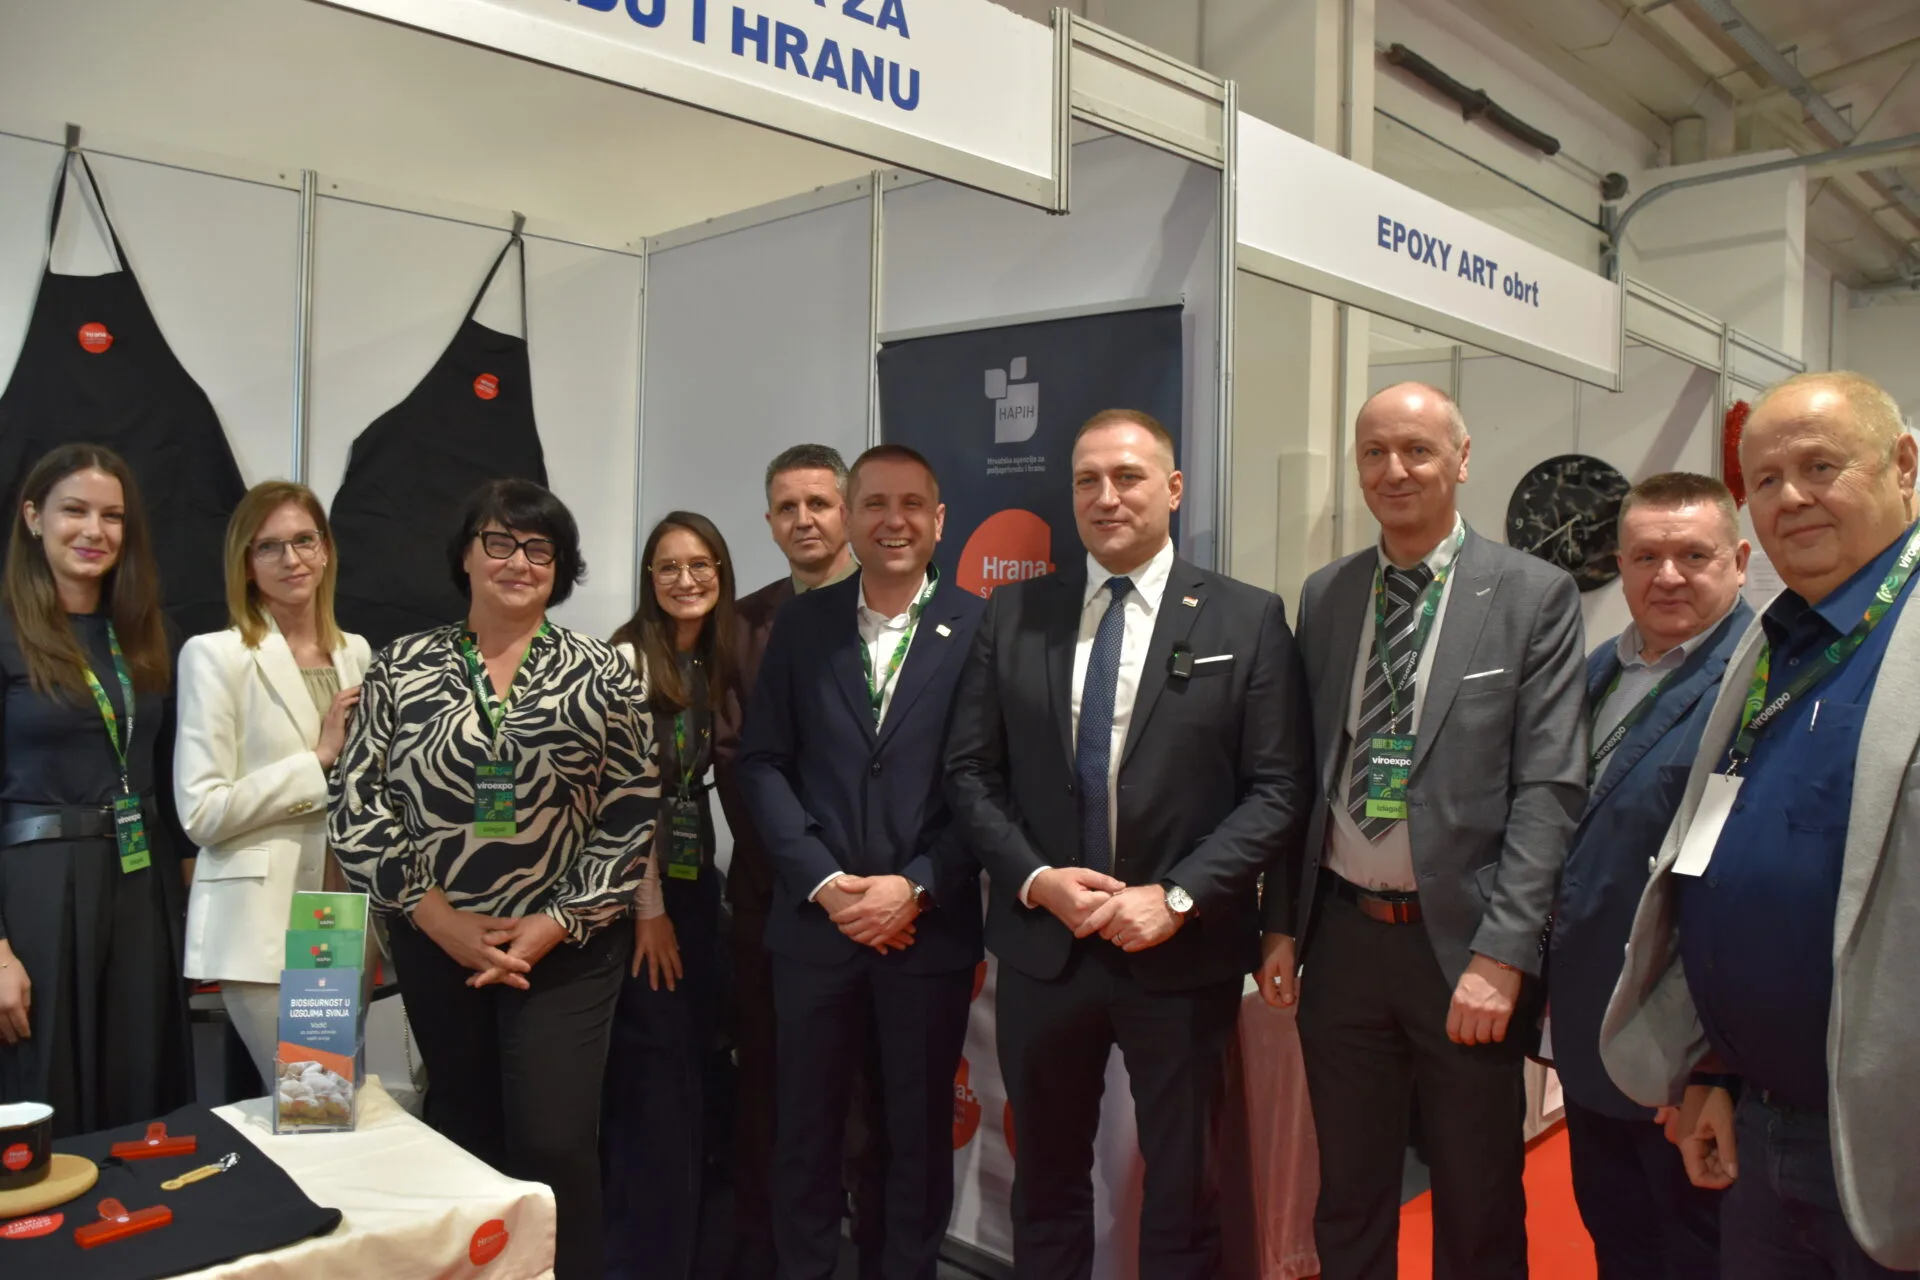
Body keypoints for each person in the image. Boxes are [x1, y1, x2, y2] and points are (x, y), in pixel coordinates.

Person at [948, 409, 1314, 1280]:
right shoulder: (1015, 612)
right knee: (1045, 1185)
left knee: (1185, 1190)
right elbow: (969, 772)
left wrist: (1177, 897)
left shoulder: (1245, 618)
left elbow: (1279, 790)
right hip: (1046, 951)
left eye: (1128, 477)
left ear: (1174, 489)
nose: (1106, 497)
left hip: (1179, 955)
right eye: (1087, 481)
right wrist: (1038, 879)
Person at [1257, 383, 1586, 1280]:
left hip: (1464, 951)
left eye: (1417, 450)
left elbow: (1550, 788)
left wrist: (1505, 954)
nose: (1393, 470)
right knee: (1349, 1192)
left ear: (1462, 459)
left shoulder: (1532, 595)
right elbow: (1301, 773)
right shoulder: (1328, 594)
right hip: (1341, 939)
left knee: (1479, 1199)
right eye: (1374, 452)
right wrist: (1280, 922)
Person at [1603, 371, 1920, 1277]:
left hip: (1888, 1144)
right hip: (1761, 1122)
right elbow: (1719, 847)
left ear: (1903, 465)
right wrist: (1714, 1067)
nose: (1790, 499)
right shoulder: (1776, 639)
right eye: (1767, 480)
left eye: (1820, 467)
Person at [331, 478, 657, 1280]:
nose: (519, 561)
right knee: (459, 1129)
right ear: (467, 556)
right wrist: (437, 917)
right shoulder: (402, 667)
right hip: (437, 940)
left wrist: (556, 922)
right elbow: (358, 803)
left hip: (568, 946)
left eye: (540, 548)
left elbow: (632, 808)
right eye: (500, 542)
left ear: (561, 566)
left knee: (554, 1139)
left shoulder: (604, 672)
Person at [737, 444, 984, 1280]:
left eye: (912, 504)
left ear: (939, 520)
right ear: (850, 516)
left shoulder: (983, 628)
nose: (893, 521)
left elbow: (991, 783)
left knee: (914, 1137)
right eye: (875, 503)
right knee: (805, 1133)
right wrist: (825, 882)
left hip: (928, 933)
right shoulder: (803, 623)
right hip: (816, 929)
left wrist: (917, 885)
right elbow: (762, 763)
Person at [1548, 473, 1749, 1280]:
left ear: (1739, 561)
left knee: (1693, 1255)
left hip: (1680, 1050)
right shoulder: (1600, 668)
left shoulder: (1759, 682)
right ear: (1620, 564)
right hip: (1591, 1036)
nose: (1667, 576)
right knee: (1618, 1240)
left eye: (1693, 556)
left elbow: (1739, 893)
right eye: (1645, 557)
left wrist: (1710, 1064)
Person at [0, 443, 193, 1134]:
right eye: (74, 511)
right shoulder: (6, 632)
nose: (94, 531)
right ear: (33, 518)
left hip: (140, 881)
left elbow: (169, 777)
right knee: (45, 1088)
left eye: (112, 516)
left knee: (141, 1086)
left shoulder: (148, 634)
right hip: (36, 889)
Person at [176, 481, 372, 1090]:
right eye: (270, 547)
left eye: (304, 540)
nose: (292, 559)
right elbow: (202, 811)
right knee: (313, 1101)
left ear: (326, 550)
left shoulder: (357, 653)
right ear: (246, 564)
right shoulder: (215, 656)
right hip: (261, 925)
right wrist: (317, 761)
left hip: (344, 917)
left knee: (336, 1106)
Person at [716, 444, 856, 1277]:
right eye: (787, 508)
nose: (804, 520)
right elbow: (736, 761)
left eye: (819, 503)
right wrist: (813, 872)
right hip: (774, 898)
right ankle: (767, 1252)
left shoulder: (900, 608)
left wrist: (859, 882)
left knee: (871, 1100)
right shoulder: (741, 624)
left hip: (882, 902)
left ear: (848, 511)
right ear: (769, 523)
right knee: (772, 1089)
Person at [602, 510, 740, 1280]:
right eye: (668, 567)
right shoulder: (627, 660)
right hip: (640, 893)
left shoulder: (717, 658)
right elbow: (623, 800)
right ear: (649, 580)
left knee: (693, 1069)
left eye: (700, 565)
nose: (686, 580)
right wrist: (647, 912)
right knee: (653, 1080)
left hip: (695, 880)